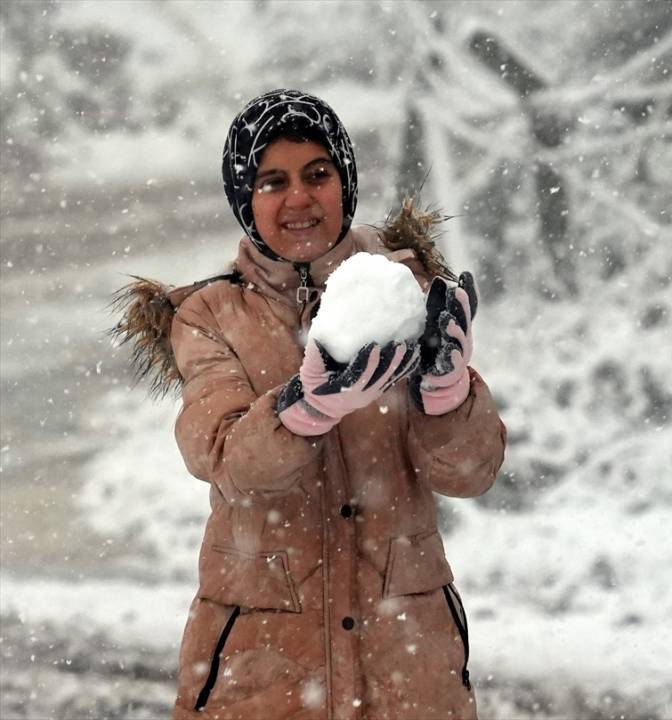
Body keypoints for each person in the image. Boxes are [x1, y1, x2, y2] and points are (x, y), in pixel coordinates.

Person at [113, 88, 506, 720]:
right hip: (261, 665)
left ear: (344, 182)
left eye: (317, 174)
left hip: (409, 660)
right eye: (272, 181)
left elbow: (468, 472)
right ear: (246, 201)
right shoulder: (210, 315)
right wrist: (304, 407)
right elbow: (224, 457)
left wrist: (448, 393)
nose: (298, 198)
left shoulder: (408, 295)